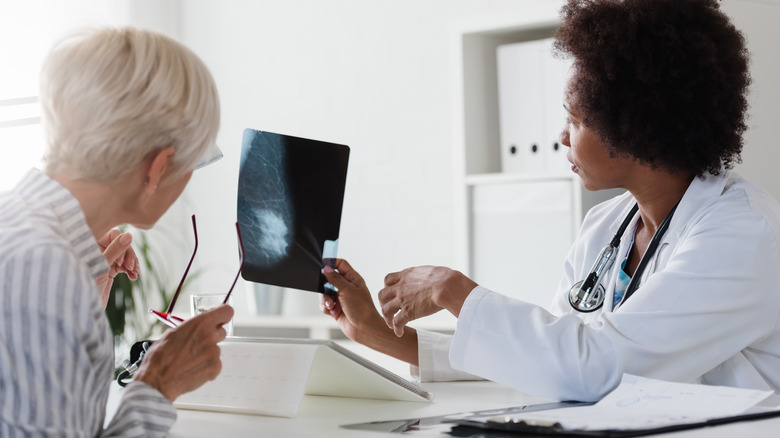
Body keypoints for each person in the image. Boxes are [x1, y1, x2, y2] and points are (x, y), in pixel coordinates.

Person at [321, 0, 780, 402]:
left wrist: (453, 290)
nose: (560, 136)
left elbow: (591, 367)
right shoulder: (606, 227)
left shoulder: (743, 234)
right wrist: (380, 337)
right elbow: (547, 362)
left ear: (635, 126)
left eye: (574, 119)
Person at [0, 27, 232, 436]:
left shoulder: (25, 237)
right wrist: (159, 383)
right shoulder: (45, 270)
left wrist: (79, 303)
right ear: (158, 168)